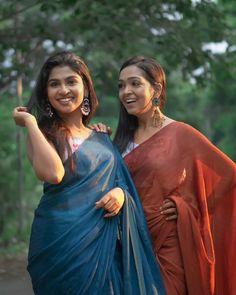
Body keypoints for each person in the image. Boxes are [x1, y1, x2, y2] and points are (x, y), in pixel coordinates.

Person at [12, 52, 167, 295]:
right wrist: (31, 123)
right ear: (46, 93)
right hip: (59, 243)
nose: (63, 90)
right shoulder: (42, 134)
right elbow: (53, 173)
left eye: (71, 81)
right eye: (54, 84)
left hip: (102, 244)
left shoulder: (101, 138)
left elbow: (121, 181)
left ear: (85, 87)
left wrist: (121, 194)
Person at [93, 56, 236, 295]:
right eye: (121, 85)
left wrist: (186, 205)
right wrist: (99, 141)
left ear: (156, 89)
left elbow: (229, 175)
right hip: (126, 243)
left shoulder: (180, 133)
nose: (126, 91)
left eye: (135, 84)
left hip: (167, 248)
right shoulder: (120, 139)